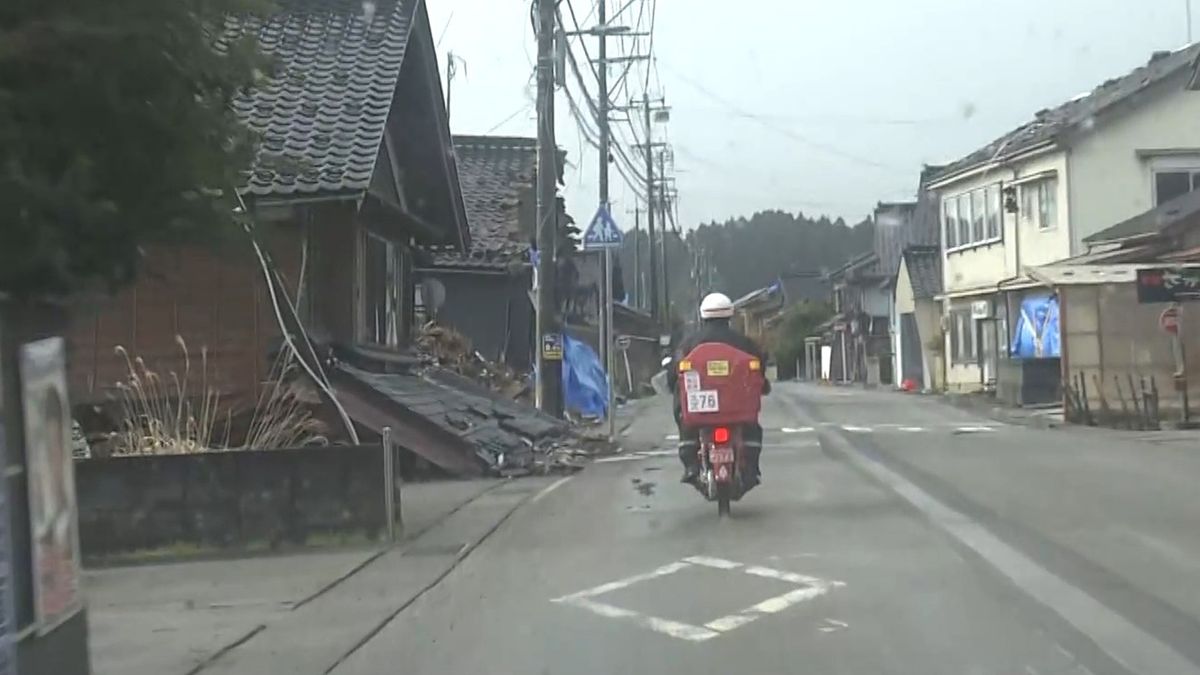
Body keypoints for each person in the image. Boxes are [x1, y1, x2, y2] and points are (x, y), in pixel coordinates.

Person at [666, 292, 770, 484]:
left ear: (703, 315)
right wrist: (764, 385)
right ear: (729, 315)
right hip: (736, 410)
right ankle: (751, 468)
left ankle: (691, 466)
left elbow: (674, 373)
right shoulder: (743, 342)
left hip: (701, 413)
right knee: (752, 429)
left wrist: (673, 383)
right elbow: (760, 366)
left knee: (685, 421)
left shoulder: (690, 343)